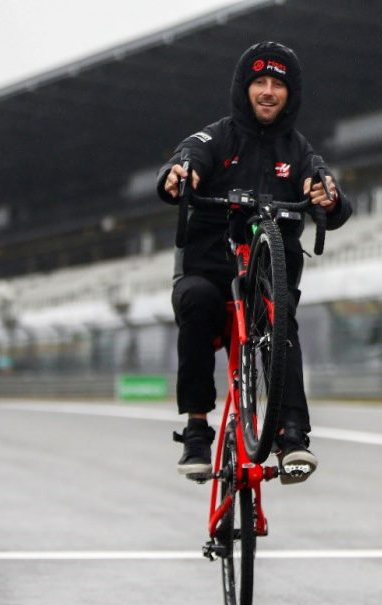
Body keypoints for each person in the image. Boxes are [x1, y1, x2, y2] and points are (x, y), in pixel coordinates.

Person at [157, 42, 352, 481]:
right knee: (196, 301)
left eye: (277, 84)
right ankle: (196, 429)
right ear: (244, 89)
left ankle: (292, 435)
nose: (267, 92)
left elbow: (334, 202)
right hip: (209, 271)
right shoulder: (216, 136)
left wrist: (327, 195)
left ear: (290, 93)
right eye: (259, 83)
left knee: (281, 318)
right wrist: (179, 175)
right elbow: (185, 160)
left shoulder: (299, 150)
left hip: (267, 282)